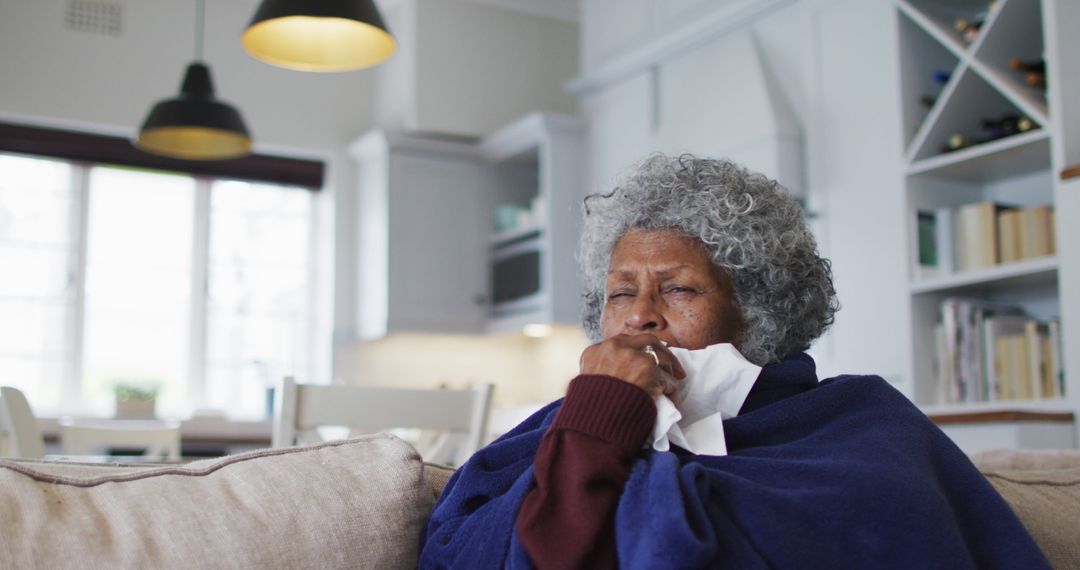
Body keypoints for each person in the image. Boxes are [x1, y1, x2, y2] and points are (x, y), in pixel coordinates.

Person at [418, 154, 1048, 569]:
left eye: (678, 288)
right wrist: (600, 418)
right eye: (618, 293)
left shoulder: (859, 422)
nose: (638, 316)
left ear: (758, 307)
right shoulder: (562, 427)